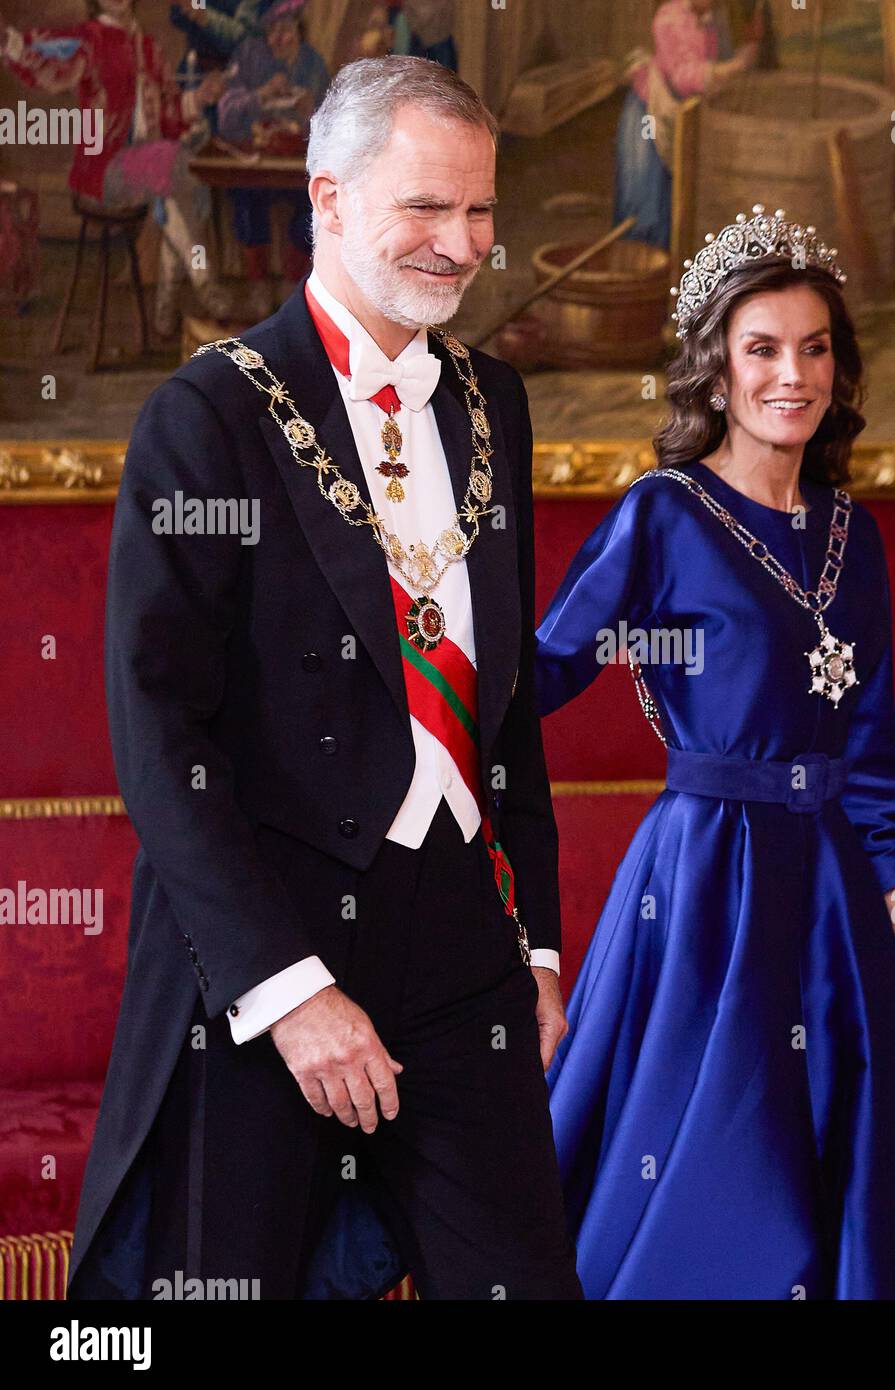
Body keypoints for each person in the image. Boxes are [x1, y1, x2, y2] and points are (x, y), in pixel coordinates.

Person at [68, 56, 581, 1301]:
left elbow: (500, 700)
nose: (460, 245)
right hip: (270, 948)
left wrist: (539, 945)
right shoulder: (208, 417)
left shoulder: (491, 403)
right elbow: (158, 728)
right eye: (426, 207)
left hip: (462, 944)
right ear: (330, 200)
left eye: (478, 211)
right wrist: (288, 990)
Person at [534, 205, 895, 1299]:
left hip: (832, 888)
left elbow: (873, 762)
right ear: (716, 371)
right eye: (761, 349)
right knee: (721, 1168)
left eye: (815, 347)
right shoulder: (663, 516)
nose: (792, 373)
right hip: (700, 886)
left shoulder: (854, 532)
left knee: (852, 1173)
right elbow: (530, 680)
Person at [0, 0, 233, 336]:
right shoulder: (89, 40)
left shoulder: (149, 47)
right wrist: (11, 43)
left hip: (149, 168)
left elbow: (170, 113)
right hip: (102, 171)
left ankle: (167, 312)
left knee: (178, 186)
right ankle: (206, 286)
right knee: (175, 169)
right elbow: (50, 71)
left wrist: (198, 98)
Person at [615, 0, 759, 248]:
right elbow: (683, 76)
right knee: (645, 188)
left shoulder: (711, 18)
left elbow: (715, 61)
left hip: (678, 114)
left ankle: (663, 262)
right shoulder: (669, 17)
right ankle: (639, 262)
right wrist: (735, 66)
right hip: (649, 113)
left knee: (674, 190)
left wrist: (738, 59)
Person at [217, 0, 329, 316]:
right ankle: (259, 287)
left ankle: (296, 288)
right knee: (245, 196)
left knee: (314, 205)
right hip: (259, 164)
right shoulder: (250, 58)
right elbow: (226, 116)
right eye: (272, 32)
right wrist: (260, 96)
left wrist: (310, 113)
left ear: (299, 30)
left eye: (285, 31)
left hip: (299, 169)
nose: (277, 40)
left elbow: (333, 127)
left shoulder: (314, 66)